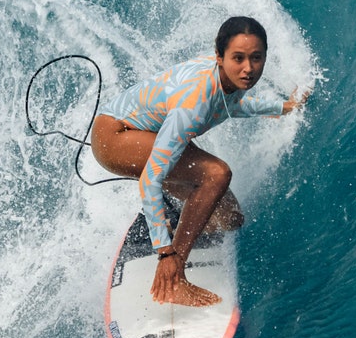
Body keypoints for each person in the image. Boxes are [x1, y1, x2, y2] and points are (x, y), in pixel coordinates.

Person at [91, 16, 309, 307]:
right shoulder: (193, 104)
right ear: (220, 57)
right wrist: (167, 254)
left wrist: (282, 107)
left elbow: (230, 105)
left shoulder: (227, 79)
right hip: (117, 137)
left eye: (256, 58)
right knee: (216, 174)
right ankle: (173, 276)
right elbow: (150, 179)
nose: (248, 68)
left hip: (147, 132)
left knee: (228, 218)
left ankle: (169, 223)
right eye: (239, 58)